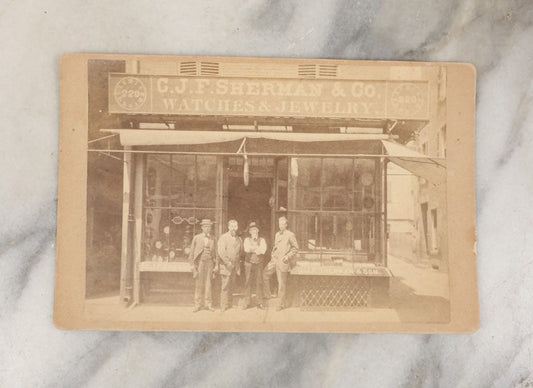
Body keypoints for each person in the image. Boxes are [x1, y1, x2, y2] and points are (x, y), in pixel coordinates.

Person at [263, 216, 299, 311]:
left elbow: (295, 248)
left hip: (283, 262)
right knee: (265, 274)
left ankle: (280, 304)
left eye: (283, 224)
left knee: (281, 284)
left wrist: (287, 256)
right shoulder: (277, 234)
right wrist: (272, 253)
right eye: (279, 224)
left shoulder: (290, 234)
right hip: (274, 260)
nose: (281, 226)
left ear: (286, 225)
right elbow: (276, 246)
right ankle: (268, 295)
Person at [188, 219, 216, 312]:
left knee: (208, 284)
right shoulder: (197, 238)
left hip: (210, 263)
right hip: (200, 263)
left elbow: (216, 253)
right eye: (205, 226)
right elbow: (191, 253)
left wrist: (216, 265)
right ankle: (197, 305)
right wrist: (192, 265)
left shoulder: (213, 238)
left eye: (209, 226)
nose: (208, 228)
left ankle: (208, 304)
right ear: (202, 227)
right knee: (199, 284)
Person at [217, 219, 243, 311]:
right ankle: (223, 306)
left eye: (235, 226)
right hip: (226, 266)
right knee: (225, 286)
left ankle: (230, 303)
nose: (233, 228)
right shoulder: (223, 237)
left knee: (232, 285)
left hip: (234, 267)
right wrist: (227, 262)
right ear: (228, 227)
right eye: (232, 226)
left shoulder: (239, 239)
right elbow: (221, 251)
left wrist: (237, 265)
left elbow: (240, 253)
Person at [242, 222, 267, 310]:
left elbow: (263, 250)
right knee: (248, 282)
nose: (254, 231)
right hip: (248, 263)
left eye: (255, 230)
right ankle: (246, 302)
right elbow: (246, 249)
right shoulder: (246, 240)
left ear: (258, 230)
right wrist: (257, 248)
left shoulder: (262, 240)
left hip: (259, 263)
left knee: (259, 282)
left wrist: (253, 248)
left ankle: (259, 302)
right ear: (249, 231)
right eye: (252, 230)